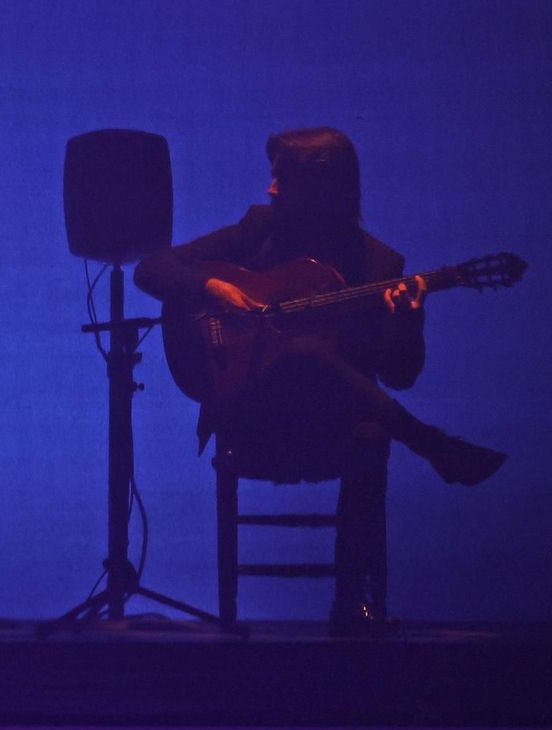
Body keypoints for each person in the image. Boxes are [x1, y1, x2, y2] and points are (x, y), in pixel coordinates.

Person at [134, 127, 505, 637]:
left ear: (323, 191)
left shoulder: (380, 266)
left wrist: (408, 318)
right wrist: (212, 286)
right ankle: (432, 444)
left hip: (332, 423)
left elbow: (400, 375)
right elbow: (152, 267)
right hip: (251, 410)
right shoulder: (258, 229)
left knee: (339, 392)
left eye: (281, 179)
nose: (270, 189)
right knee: (305, 351)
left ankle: (350, 604)